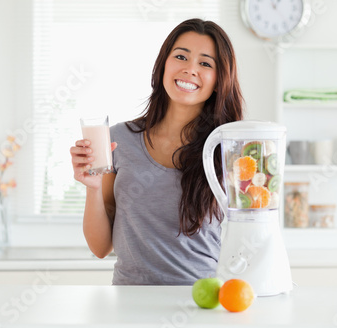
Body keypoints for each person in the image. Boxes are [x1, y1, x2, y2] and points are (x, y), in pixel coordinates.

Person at [70, 18, 244, 285]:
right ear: (164, 63)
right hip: (129, 305)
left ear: (219, 80)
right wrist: (92, 188)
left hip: (201, 303)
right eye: (181, 57)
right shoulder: (117, 140)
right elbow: (100, 248)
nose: (190, 69)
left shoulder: (227, 149)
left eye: (205, 63)